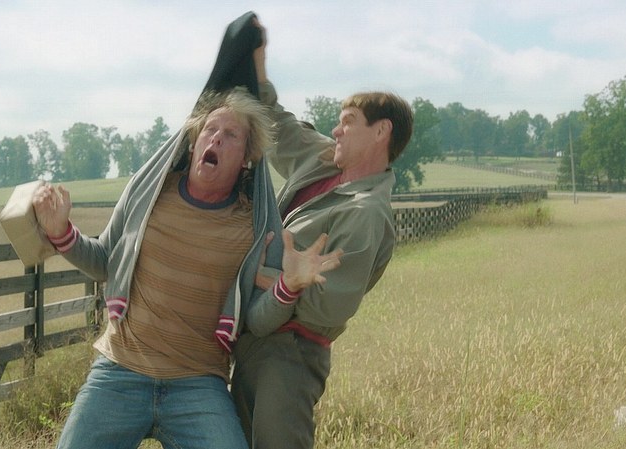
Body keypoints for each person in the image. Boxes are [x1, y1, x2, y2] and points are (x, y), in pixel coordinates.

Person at [33, 20, 342, 449]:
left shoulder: (253, 228)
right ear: (194, 144)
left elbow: (257, 319)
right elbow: (104, 261)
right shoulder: (149, 196)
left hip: (198, 385)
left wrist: (288, 285)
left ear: (246, 159)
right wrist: (60, 232)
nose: (215, 139)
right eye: (209, 130)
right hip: (119, 372)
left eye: (230, 135)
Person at [230, 21, 415, 449]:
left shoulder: (366, 214)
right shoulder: (323, 160)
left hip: (290, 354)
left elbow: (324, 308)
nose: (336, 130)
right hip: (255, 339)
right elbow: (278, 127)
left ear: (381, 132)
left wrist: (260, 277)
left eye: (348, 121)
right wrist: (258, 64)